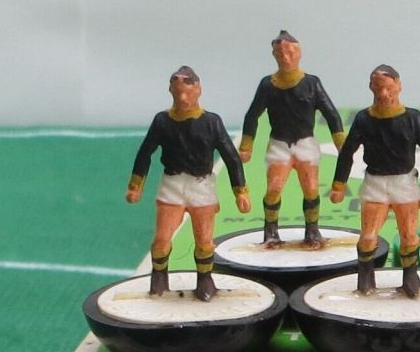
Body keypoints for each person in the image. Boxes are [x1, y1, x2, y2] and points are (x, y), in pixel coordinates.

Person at [127, 67, 251, 301]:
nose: (183, 98)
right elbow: (145, 152)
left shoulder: (211, 121)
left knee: (204, 241)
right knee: (161, 240)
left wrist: (240, 191)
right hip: (172, 185)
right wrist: (136, 185)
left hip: (201, 186)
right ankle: (159, 277)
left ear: (198, 90)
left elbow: (231, 157)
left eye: (187, 93)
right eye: (178, 93)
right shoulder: (162, 121)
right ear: (171, 91)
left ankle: (204, 279)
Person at [330, 66, 420, 297]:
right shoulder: (364, 119)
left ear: (399, 85)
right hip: (375, 184)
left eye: (388, 88)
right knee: (368, 237)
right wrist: (339, 184)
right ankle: (365, 281)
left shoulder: (412, 118)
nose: (384, 94)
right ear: (371, 88)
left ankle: (410, 279)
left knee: (409, 236)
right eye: (378, 89)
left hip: (404, 184)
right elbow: (347, 152)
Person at [239, 30, 346, 249]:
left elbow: (331, 114)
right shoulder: (267, 85)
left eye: (290, 53)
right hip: (279, 145)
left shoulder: (312, 83)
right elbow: (252, 115)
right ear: (274, 56)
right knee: (274, 188)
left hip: (305, 144)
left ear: (299, 54)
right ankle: (270, 232)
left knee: (311, 188)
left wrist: (340, 143)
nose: (286, 58)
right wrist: (246, 146)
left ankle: (312, 231)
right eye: (281, 54)